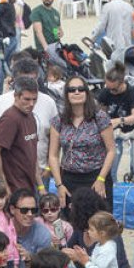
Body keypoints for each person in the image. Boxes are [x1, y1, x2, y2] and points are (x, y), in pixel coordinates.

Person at [48, 77, 114, 207]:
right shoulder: (59, 120)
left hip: (96, 177)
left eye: (81, 89)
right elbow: (53, 155)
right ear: (66, 94)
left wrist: (101, 179)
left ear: (86, 93)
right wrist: (59, 184)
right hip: (69, 179)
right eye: (72, 90)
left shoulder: (100, 117)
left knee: (99, 222)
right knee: (72, 223)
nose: (76, 92)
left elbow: (111, 150)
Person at [0, 77, 42, 195]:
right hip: (15, 189)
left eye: (34, 99)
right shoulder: (10, 118)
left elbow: (32, 153)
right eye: (26, 99)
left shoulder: (30, 116)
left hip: (30, 186)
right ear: (16, 96)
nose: (31, 104)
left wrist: (41, 186)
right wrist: (5, 186)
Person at [91, 0, 133, 65]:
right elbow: (133, 27)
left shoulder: (108, 6)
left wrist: (92, 38)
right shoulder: (129, 7)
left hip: (113, 44)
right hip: (128, 44)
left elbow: (101, 26)